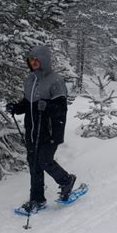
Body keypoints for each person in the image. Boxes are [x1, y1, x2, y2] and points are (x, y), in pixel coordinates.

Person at [6, 45, 76, 213]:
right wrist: (16, 107)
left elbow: (61, 108)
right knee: (34, 164)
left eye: (37, 59)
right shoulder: (29, 80)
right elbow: (28, 104)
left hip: (51, 130)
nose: (34, 62)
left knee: (44, 160)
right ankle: (37, 199)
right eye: (31, 60)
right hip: (32, 130)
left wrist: (48, 106)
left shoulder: (55, 80)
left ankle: (66, 181)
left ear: (44, 60)